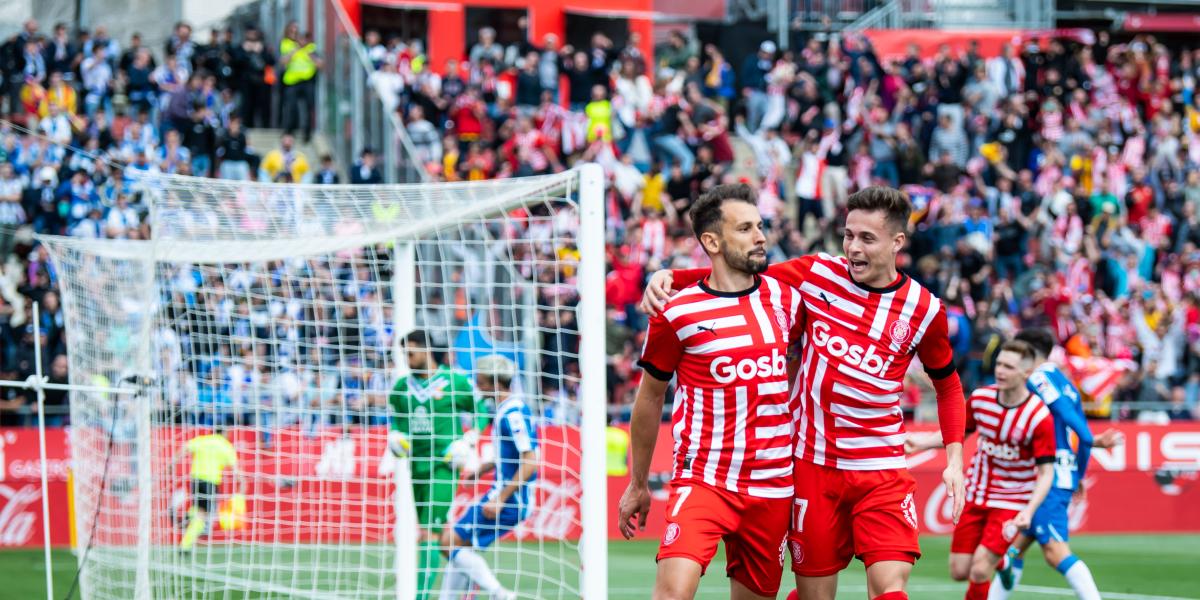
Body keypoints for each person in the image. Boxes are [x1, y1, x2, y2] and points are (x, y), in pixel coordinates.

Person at [642, 186, 968, 600]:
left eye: (867, 239)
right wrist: (670, 277)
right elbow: (740, 277)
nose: (853, 248)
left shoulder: (924, 309)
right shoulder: (818, 275)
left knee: (890, 590)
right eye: (848, 235)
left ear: (896, 242)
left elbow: (949, 386)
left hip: (881, 467)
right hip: (811, 466)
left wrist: (954, 460)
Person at [619, 184, 800, 599]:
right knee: (673, 593)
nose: (760, 237)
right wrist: (638, 483)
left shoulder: (787, 297)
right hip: (704, 480)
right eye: (745, 228)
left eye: (760, 226)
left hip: (772, 486)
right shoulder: (677, 312)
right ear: (712, 241)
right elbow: (649, 398)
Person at [905, 340, 1056, 600]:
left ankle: (994, 563)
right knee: (959, 570)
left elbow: (1046, 473)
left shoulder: (1038, 416)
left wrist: (1029, 511)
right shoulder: (981, 398)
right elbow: (957, 435)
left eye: (1009, 367)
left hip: (1011, 501)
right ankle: (1004, 562)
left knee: (978, 571)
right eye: (999, 364)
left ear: (1026, 373)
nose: (1000, 371)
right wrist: (921, 443)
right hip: (975, 494)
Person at [990, 328, 1123, 600]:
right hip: (1050, 473)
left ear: (1027, 353)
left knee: (1055, 552)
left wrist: (1084, 454)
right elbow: (1074, 432)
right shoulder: (1062, 380)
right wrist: (1078, 472)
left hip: (1046, 477)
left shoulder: (1038, 378)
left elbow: (1082, 433)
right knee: (1011, 548)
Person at [387, 329, 481, 600]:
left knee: (429, 531)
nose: (407, 357)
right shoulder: (402, 388)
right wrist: (396, 435)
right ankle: (470, 577)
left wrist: (470, 438)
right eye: (404, 352)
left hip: (445, 465)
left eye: (412, 351)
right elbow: (398, 421)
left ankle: (420, 596)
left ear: (427, 351)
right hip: (415, 465)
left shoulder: (454, 381)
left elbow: (481, 410)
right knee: (436, 534)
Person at [439, 354, 535, 600]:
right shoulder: (506, 410)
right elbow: (511, 455)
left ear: (494, 382)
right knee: (459, 545)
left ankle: (498, 594)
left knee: (448, 541)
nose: (476, 384)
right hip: (503, 494)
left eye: (480, 380)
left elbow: (530, 462)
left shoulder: (512, 414)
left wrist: (501, 498)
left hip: (510, 499)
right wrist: (482, 469)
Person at [170, 425, 242, 551]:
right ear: (224, 432)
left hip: (196, 480)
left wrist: (173, 462)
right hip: (211, 482)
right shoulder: (225, 446)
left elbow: (185, 447)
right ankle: (186, 526)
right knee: (204, 514)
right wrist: (241, 481)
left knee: (199, 511)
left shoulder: (204, 440)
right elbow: (235, 468)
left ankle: (185, 542)